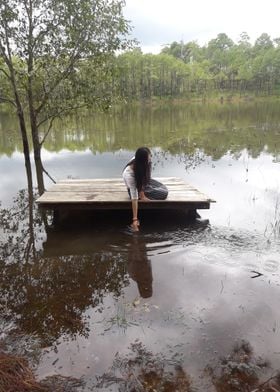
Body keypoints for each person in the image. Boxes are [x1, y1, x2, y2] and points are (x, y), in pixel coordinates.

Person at [122, 147, 168, 231]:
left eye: (150, 156)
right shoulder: (129, 174)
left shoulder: (141, 160)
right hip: (134, 189)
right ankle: (144, 193)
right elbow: (134, 197)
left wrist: (143, 188)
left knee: (163, 188)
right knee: (163, 193)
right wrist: (135, 219)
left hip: (143, 184)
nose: (150, 158)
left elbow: (147, 174)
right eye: (148, 157)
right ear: (142, 160)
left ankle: (144, 191)